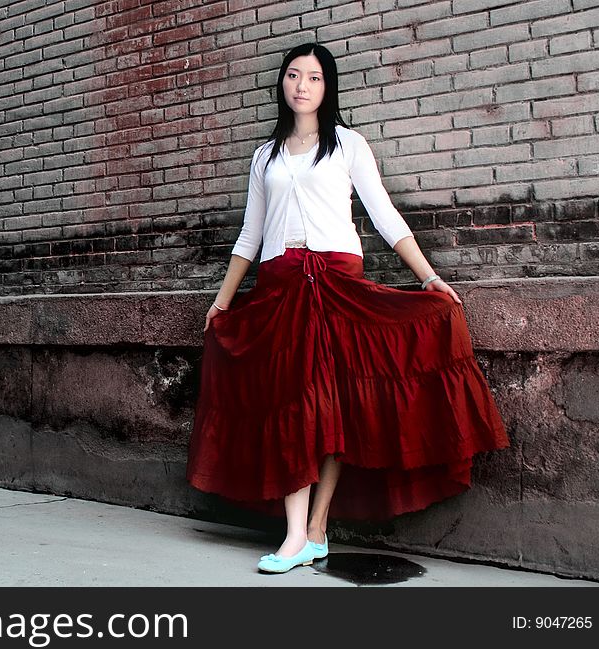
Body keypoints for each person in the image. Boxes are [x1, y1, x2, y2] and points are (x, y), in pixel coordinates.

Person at [185, 43, 511, 574]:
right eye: (293, 76)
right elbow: (251, 231)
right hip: (281, 289)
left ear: (326, 86)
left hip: (338, 284)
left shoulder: (349, 146)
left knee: (333, 410)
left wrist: (427, 276)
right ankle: (293, 535)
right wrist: (222, 301)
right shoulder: (265, 156)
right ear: (282, 85)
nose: (301, 86)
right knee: (293, 404)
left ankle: (315, 530)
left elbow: (382, 214)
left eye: (313, 78)